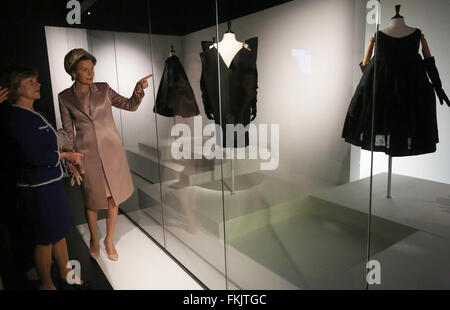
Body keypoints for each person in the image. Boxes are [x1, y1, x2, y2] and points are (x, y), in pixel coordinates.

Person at [58, 48, 152, 261]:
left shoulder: (104, 89)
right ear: (73, 72)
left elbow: (129, 105)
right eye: (84, 69)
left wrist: (138, 90)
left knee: (113, 198)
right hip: (86, 155)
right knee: (91, 200)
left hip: (112, 152)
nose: (90, 73)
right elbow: (67, 130)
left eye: (92, 68)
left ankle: (109, 240)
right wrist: (70, 157)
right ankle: (93, 238)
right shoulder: (64, 97)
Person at [3, 67, 84, 290]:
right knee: (45, 238)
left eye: (36, 81)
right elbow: (33, 155)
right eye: (30, 82)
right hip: (37, 188)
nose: (38, 85)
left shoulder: (33, 113)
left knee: (59, 232)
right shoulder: (18, 118)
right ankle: (46, 283)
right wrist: (65, 155)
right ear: (15, 89)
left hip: (50, 184)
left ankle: (66, 272)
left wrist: (64, 157)